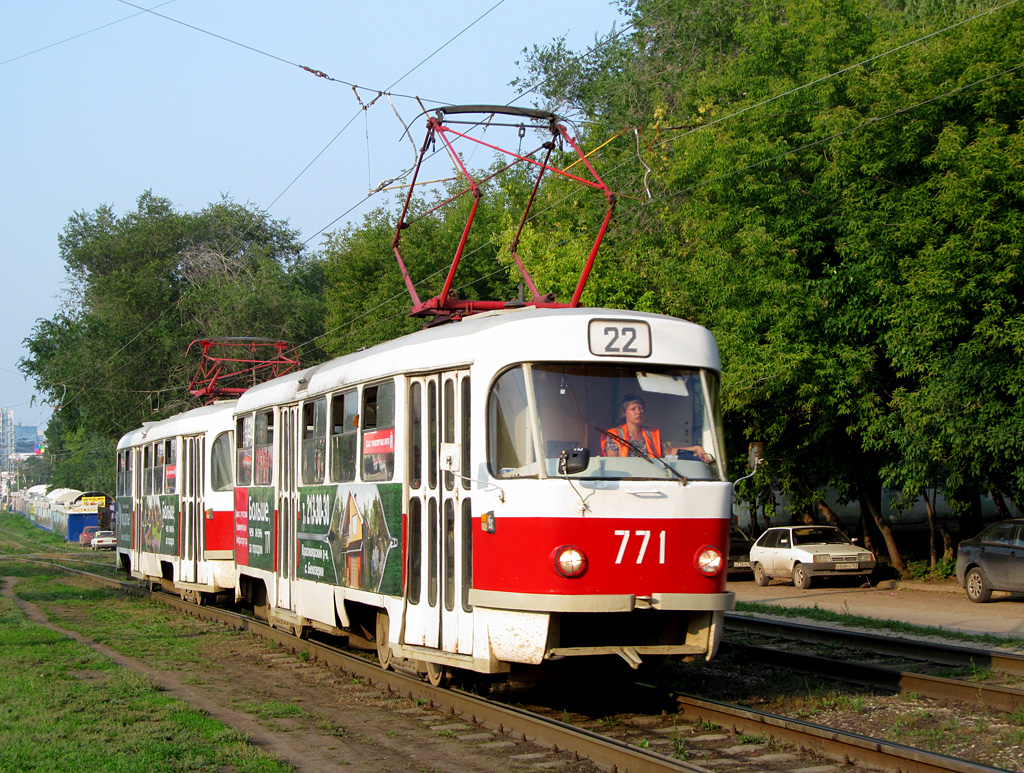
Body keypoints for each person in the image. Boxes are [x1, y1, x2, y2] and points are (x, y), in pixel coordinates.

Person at [600, 394, 708, 461]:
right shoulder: (614, 435)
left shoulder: (652, 433)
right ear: (624, 413)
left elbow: (669, 453)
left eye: (641, 408)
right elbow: (612, 463)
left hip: (652, 480)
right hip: (626, 481)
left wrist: (696, 448)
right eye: (633, 409)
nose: (638, 412)